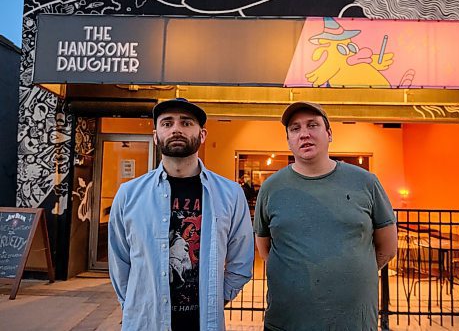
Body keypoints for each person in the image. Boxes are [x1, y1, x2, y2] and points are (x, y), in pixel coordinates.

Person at [108, 98, 254, 331]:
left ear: (203, 135)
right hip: (146, 323)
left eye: (186, 123)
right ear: (156, 136)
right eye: (167, 123)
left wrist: (216, 300)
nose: (176, 128)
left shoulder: (230, 194)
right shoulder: (129, 194)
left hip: (203, 324)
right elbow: (119, 262)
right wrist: (137, 305)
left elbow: (241, 260)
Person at [253, 101, 398, 331]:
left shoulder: (366, 183)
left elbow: (387, 248)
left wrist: (349, 275)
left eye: (313, 125)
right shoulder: (271, 188)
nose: (304, 134)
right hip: (287, 322)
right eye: (295, 128)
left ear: (329, 134)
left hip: (353, 323)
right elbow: (265, 249)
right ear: (288, 139)